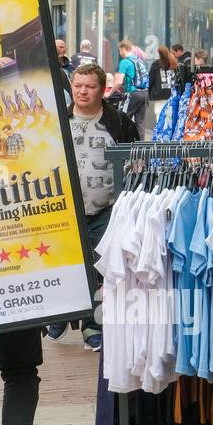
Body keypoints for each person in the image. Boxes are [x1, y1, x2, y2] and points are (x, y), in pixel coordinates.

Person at [55, 63, 138, 350]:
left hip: (106, 207)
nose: (82, 91)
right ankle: (63, 314)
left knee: (101, 265)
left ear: (102, 90)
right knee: (69, 262)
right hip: (66, 207)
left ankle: (92, 324)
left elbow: (135, 161)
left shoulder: (118, 122)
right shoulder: (58, 120)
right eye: (78, 85)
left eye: (89, 86)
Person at [111, 39, 147, 138]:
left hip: (133, 93)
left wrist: (109, 93)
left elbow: (118, 81)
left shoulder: (125, 62)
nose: (120, 53)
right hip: (144, 93)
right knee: (140, 122)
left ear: (123, 49)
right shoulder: (139, 61)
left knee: (123, 118)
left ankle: (123, 144)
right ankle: (140, 147)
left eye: (119, 50)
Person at [147, 44, 179, 131]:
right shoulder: (173, 63)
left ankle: (160, 138)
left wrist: (148, 92)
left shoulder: (156, 65)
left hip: (159, 95)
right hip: (172, 95)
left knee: (159, 118)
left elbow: (150, 80)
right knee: (171, 118)